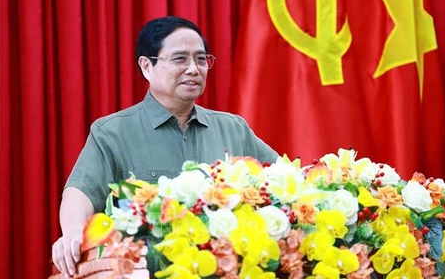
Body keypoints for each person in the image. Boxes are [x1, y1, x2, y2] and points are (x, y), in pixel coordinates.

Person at [51, 16, 278, 277]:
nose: (194, 69)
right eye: (180, 59)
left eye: (201, 59)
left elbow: (282, 179)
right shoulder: (112, 131)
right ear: (147, 66)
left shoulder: (233, 128)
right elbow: (81, 191)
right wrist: (72, 233)